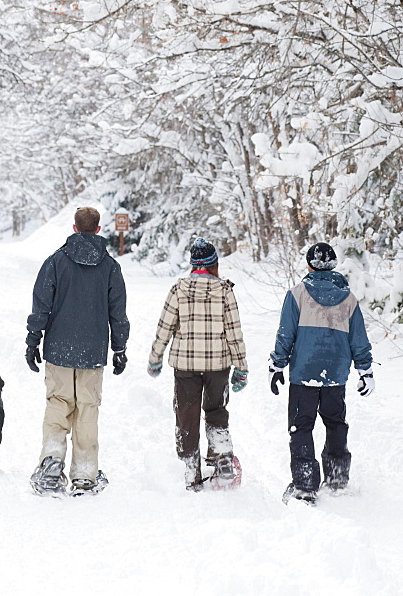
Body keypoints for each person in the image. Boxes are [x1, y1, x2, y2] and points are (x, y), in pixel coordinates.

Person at [25, 206, 130, 496]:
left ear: (74, 228)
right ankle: (85, 474)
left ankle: (51, 465)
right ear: (98, 230)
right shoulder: (110, 267)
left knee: (58, 406)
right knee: (86, 410)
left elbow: (41, 304)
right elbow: (117, 313)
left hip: (59, 348)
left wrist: (33, 340)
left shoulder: (56, 262)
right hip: (93, 352)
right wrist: (119, 348)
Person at [269, 241, 373, 504]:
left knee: (301, 426)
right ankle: (337, 477)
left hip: (304, 373)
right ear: (333, 264)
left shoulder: (297, 294)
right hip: (336, 375)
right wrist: (365, 370)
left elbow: (285, 334)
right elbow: (359, 340)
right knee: (335, 423)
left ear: (309, 265)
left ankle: (304, 484)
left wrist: (277, 365)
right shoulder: (349, 300)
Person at [147, 237, 248, 492]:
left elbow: (164, 327)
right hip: (218, 365)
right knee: (216, 411)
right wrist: (241, 367)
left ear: (193, 265)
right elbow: (234, 331)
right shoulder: (224, 290)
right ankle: (221, 456)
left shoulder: (178, 289)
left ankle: (192, 470)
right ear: (214, 264)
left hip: (186, 365)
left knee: (187, 415)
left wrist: (155, 357)